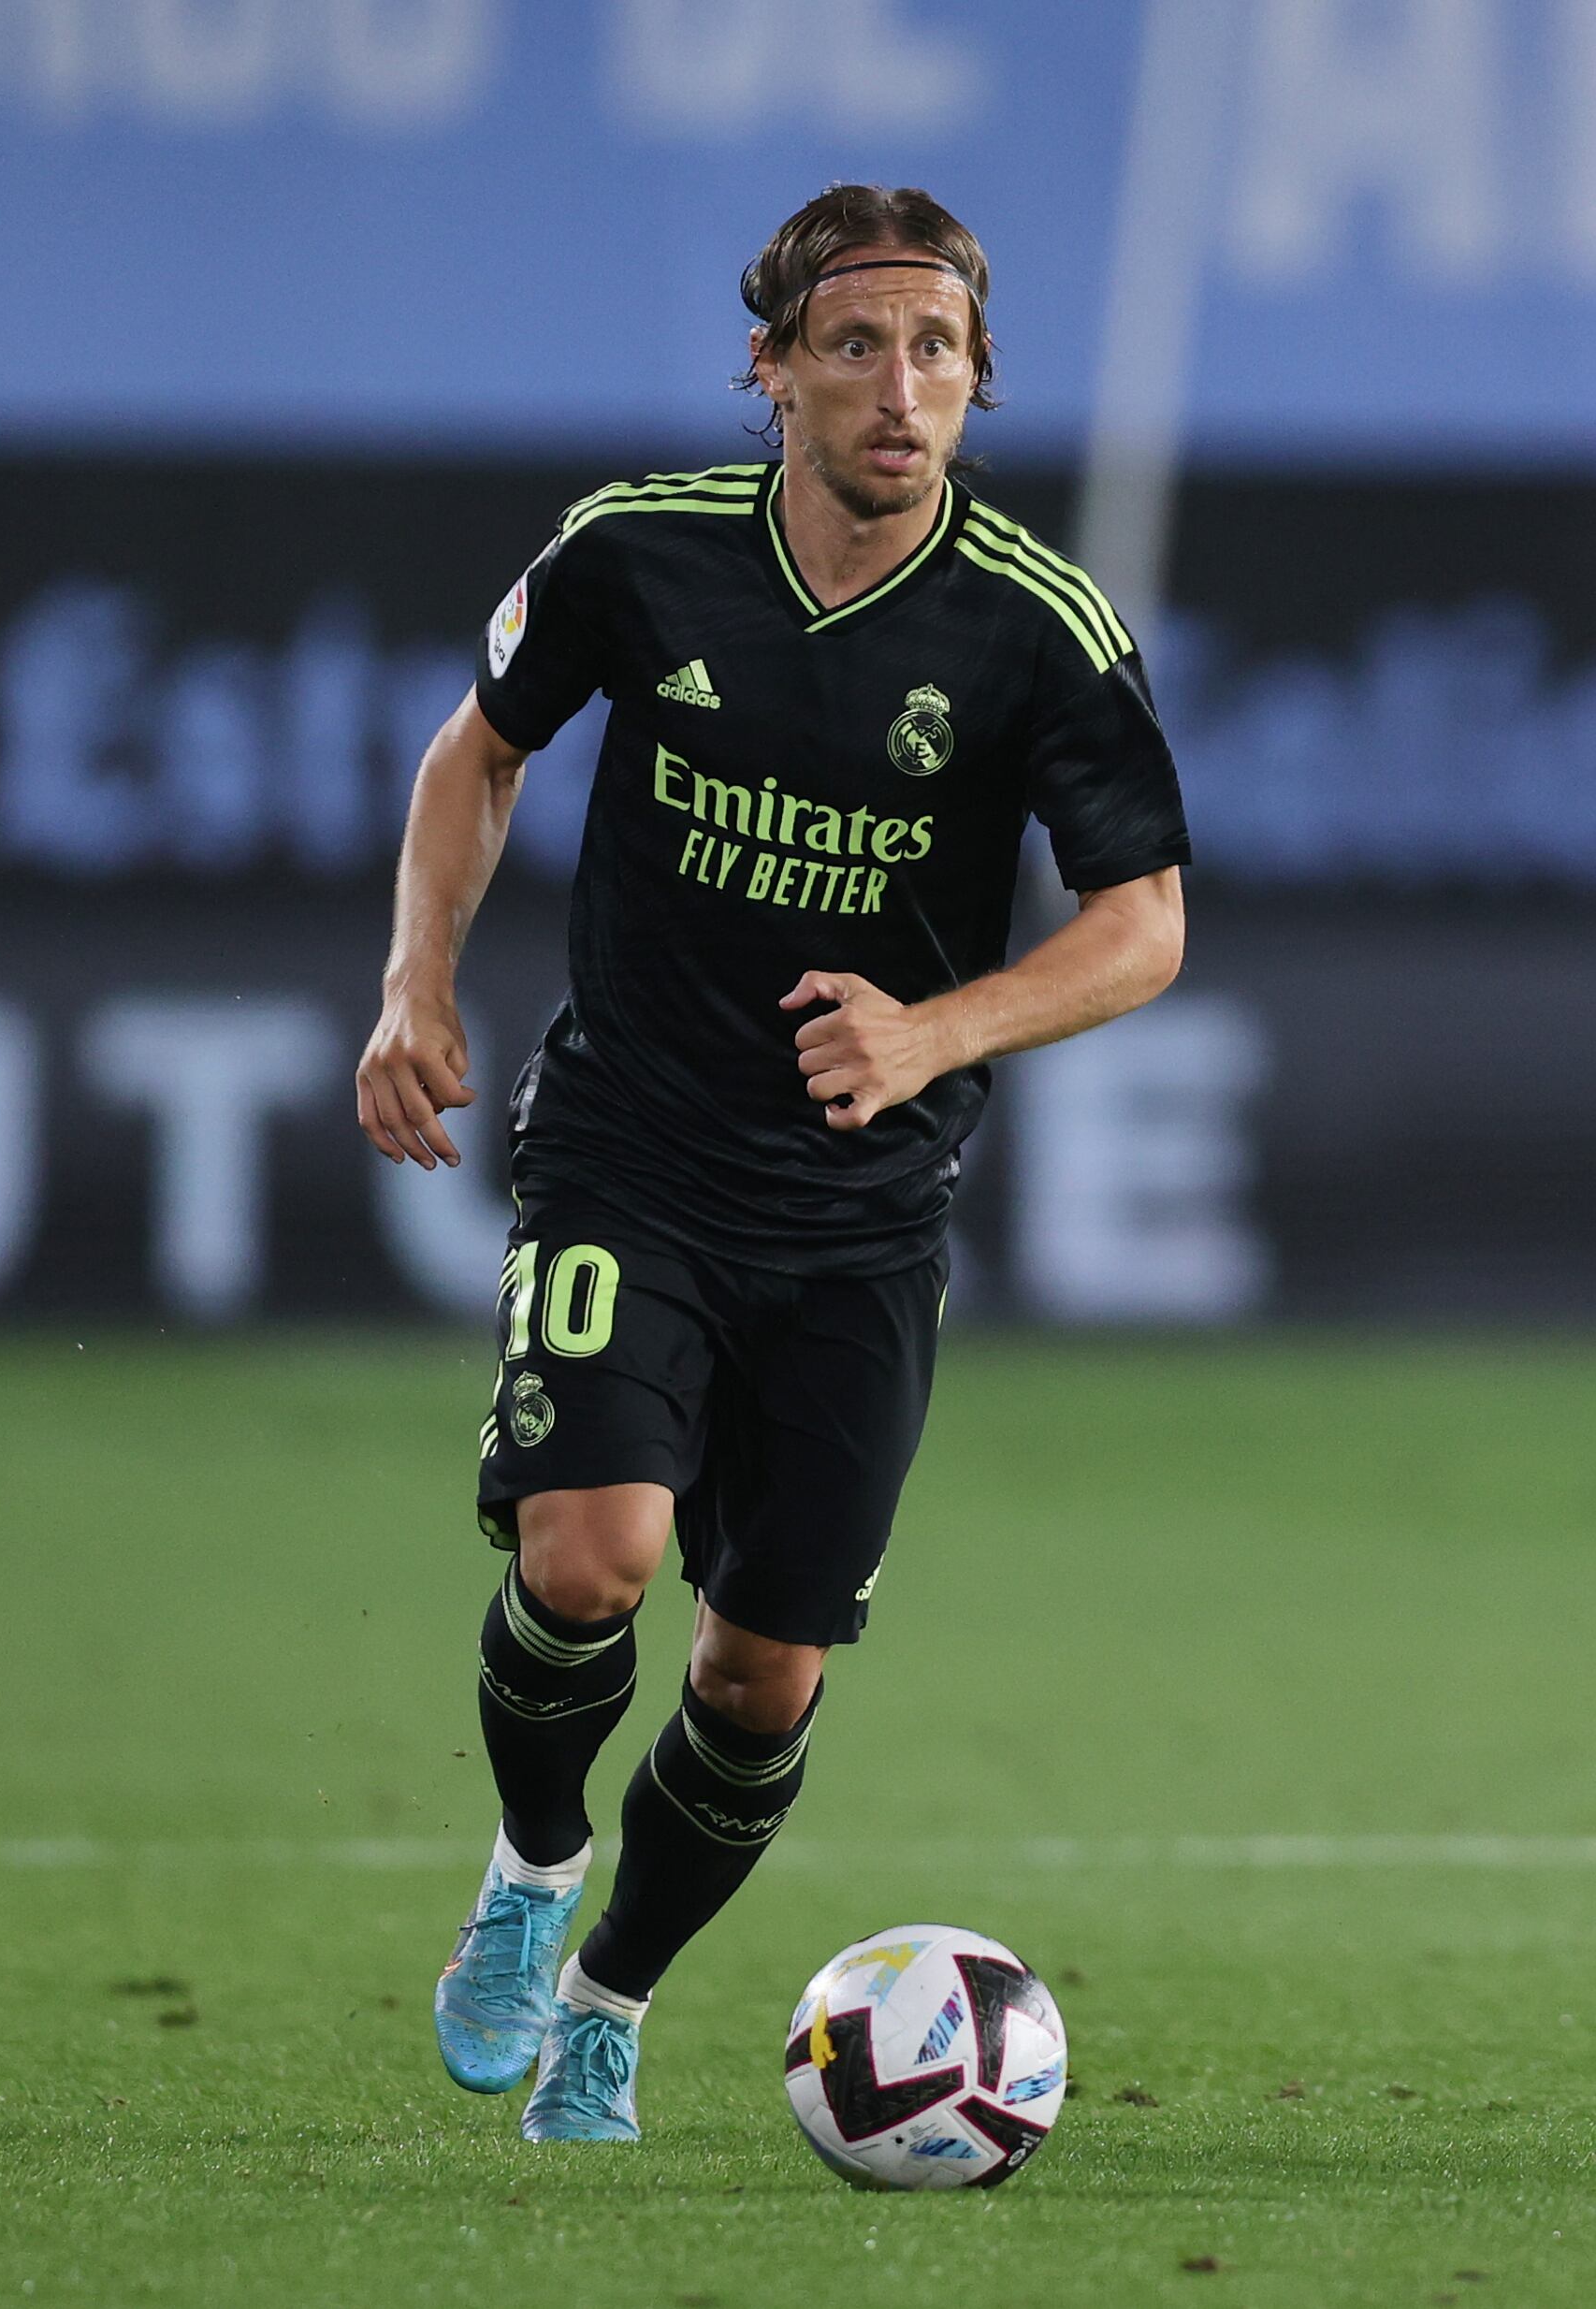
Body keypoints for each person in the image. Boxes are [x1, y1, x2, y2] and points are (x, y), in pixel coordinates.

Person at [354, 182, 1192, 2144]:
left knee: (759, 1673)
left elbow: (1143, 920)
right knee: (592, 1556)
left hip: (859, 1218)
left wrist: (932, 1028)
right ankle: (533, 1867)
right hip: (632, 1148)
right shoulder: (639, 557)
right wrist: (412, 987)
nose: (900, 392)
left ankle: (609, 1995)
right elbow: (477, 751)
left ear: (979, 384)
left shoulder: (1036, 634)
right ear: (774, 372)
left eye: (939, 355)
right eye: (856, 348)